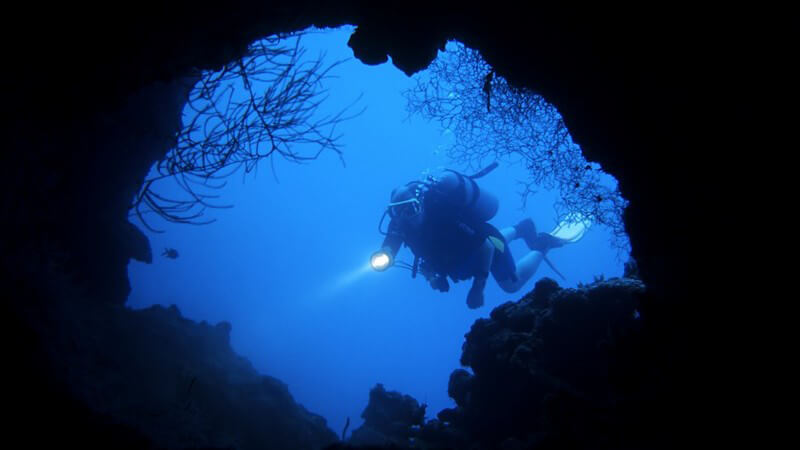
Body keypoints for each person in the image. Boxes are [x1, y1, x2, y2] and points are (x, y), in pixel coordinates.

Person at [373, 164, 586, 309]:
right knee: (487, 242)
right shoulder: (401, 226)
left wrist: (478, 288)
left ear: (419, 202)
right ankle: (521, 228)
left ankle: (542, 244)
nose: (407, 217)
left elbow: (486, 246)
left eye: (410, 208)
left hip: (487, 246)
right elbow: (415, 257)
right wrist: (431, 278)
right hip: (463, 258)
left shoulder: (443, 213)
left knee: (510, 285)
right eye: (399, 213)